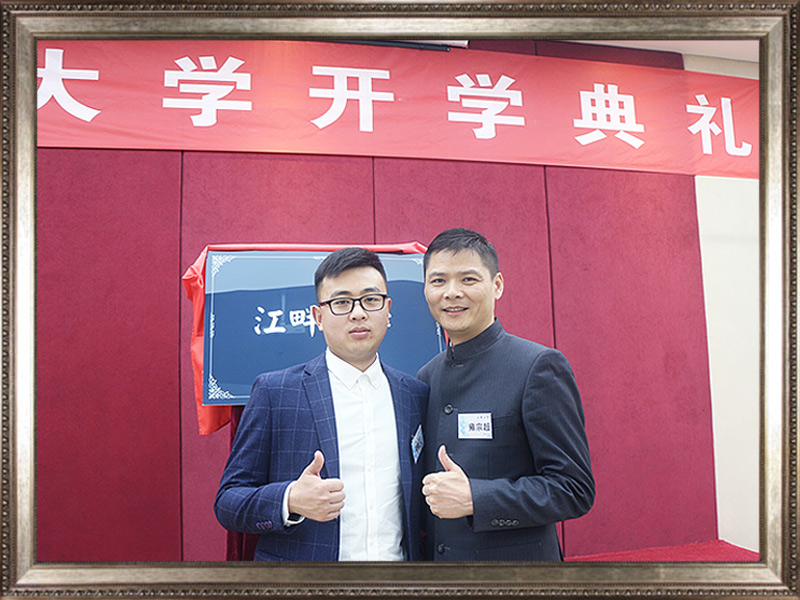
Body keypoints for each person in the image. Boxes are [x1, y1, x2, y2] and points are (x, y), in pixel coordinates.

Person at [215, 247, 429, 561]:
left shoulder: (414, 395)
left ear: (388, 310)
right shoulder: (275, 392)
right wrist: (289, 499)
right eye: (341, 303)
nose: (358, 313)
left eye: (371, 300)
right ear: (318, 316)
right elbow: (228, 501)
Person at [418, 228, 594, 561]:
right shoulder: (426, 377)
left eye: (468, 279)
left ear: (497, 285)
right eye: (438, 281)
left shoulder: (538, 366)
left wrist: (476, 498)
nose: (451, 293)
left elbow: (574, 489)